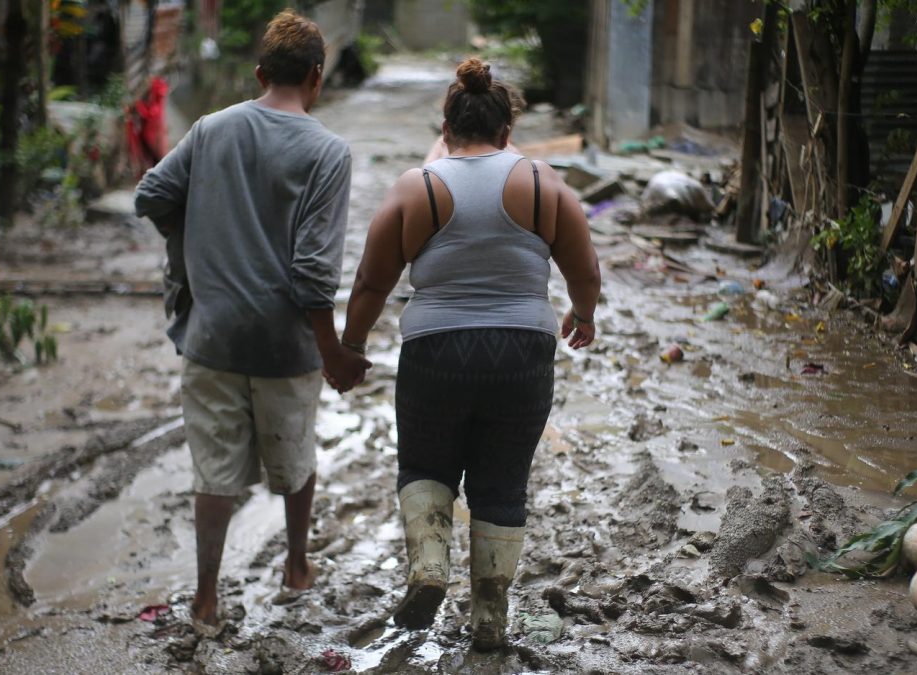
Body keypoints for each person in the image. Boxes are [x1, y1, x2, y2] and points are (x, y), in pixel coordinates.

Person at [334, 58, 601, 650]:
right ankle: (489, 616)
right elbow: (583, 269)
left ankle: (429, 566)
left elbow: (371, 284)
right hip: (523, 352)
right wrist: (582, 317)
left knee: (426, 465)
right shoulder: (542, 181)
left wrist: (350, 347)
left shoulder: (417, 186)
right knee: (502, 486)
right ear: (508, 131)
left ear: (445, 129)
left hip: (436, 350)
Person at [133, 10, 370, 628]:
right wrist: (333, 351)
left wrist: (195, 246)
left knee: (213, 475)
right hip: (284, 346)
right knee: (294, 461)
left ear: (260, 72)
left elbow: (151, 196)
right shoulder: (327, 151)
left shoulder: (212, 129)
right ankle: (296, 566)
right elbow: (315, 271)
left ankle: (206, 597)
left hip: (211, 338)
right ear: (317, 77)